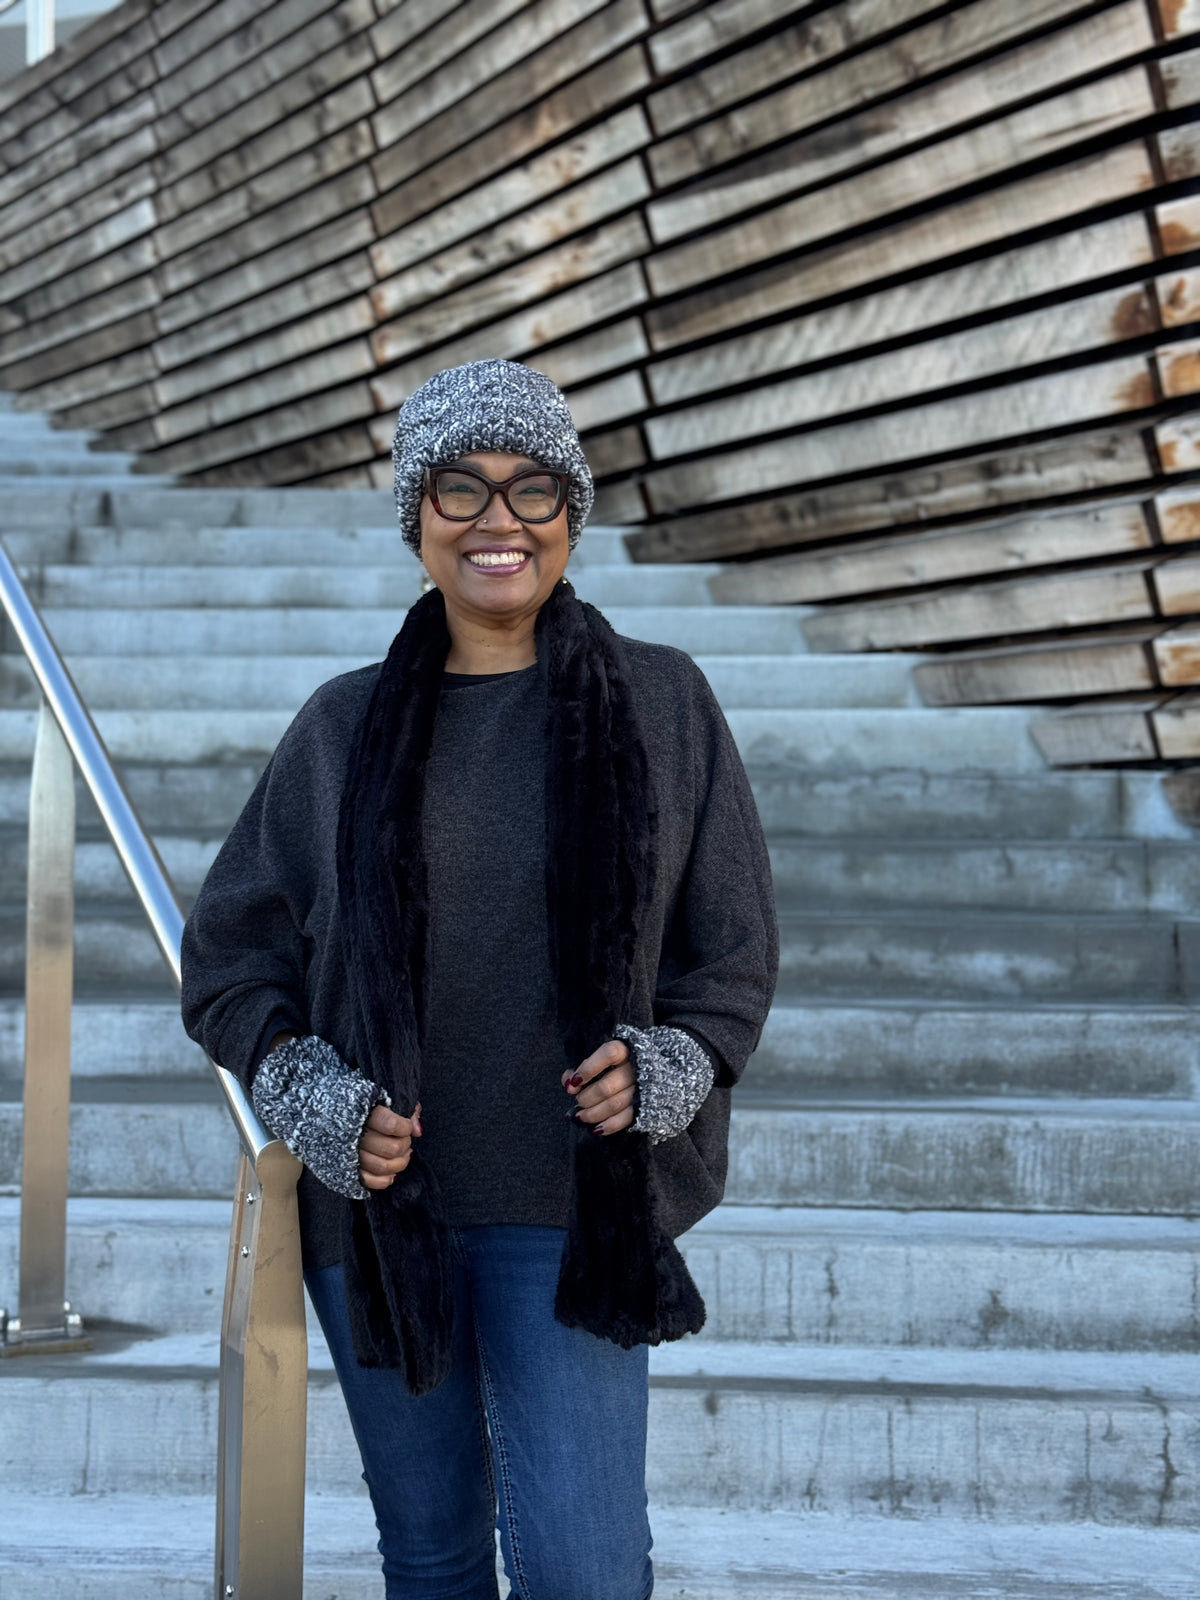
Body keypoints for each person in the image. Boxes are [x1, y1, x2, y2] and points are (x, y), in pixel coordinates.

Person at [181, 358, 778, 1600]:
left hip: (573, 1208)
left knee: (585, 1567)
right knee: (436, 1556)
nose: (499, 520)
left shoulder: (665, 703)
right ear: (416, 517)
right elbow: (229, 957)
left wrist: (672, 1064)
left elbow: (733, 952)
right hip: (387, 1216)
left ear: (572, 516)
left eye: (534, 490)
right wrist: (307, 1094)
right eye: (461, 488)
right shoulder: (340, 730)